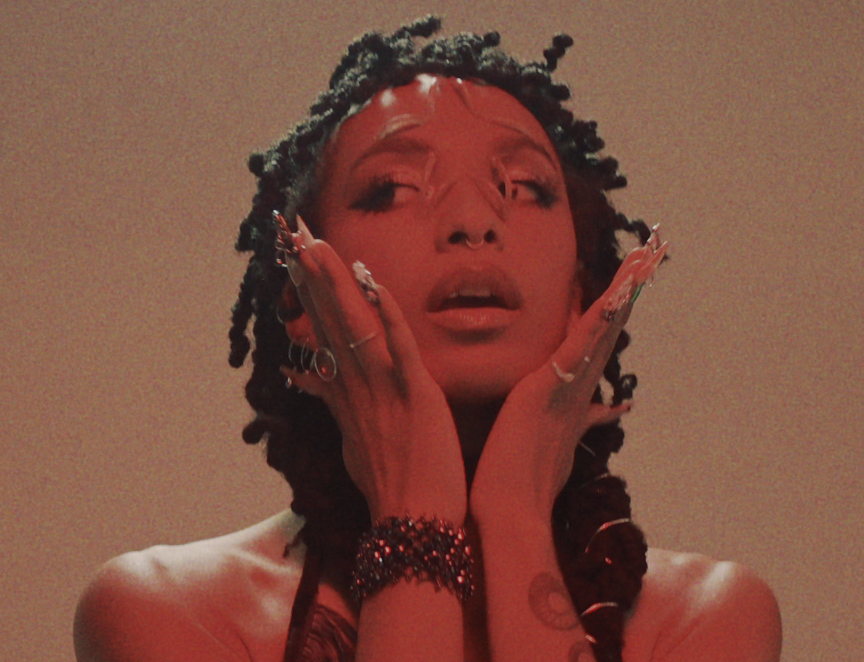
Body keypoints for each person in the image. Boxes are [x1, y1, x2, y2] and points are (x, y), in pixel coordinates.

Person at [73, 17, 781, 662]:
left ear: (581, 294)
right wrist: (414, 509)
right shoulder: (170, 612)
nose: (474, 220)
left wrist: (514, 515)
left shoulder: (708, 620)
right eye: (392, 188)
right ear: (302, 296)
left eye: (524, 186)